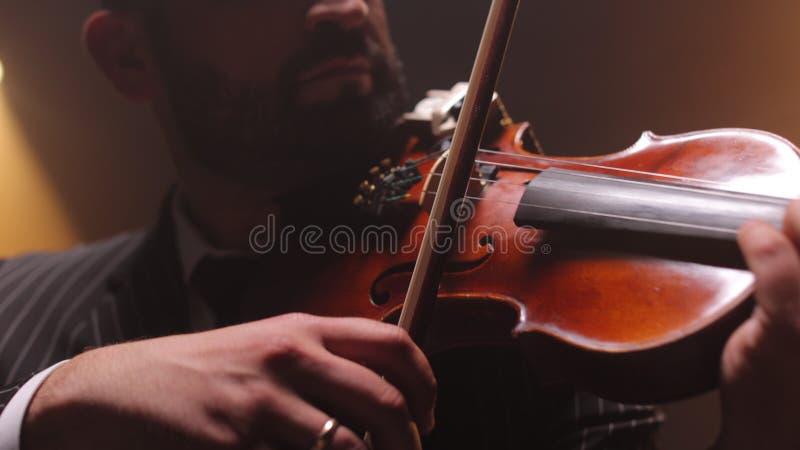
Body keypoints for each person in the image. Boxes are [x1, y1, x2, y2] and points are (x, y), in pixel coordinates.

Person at [0, 0, 798, 449]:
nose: (347, 5)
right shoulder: (16, 307)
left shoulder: (530, 334)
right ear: (130, 57)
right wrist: (50, 404)